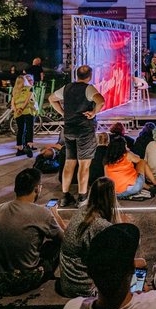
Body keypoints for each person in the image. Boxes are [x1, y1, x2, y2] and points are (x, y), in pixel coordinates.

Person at [0, 168, 66, 294]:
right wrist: (55, 215)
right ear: (37, 189)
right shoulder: (42, 213)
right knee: (55, 245)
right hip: (20, 281)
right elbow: (66, 238)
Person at [58, 177, 129, 298]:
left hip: (66, 283)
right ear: (111, 197)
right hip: (84, 287)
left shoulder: (82, 211)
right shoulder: (100, 225)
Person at [50, 65, 105, 206]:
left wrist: (63, 113)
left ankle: (65, 196)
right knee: (84, 165)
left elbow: (51, 99)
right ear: (90, 76)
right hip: (84, 130)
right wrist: (93, 112)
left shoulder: (67, 88)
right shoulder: (88, 88)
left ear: (76, 75)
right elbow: (101, 101)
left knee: (69, 163)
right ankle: (82, 197)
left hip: (69, 130)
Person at [104, 135, 156, 200]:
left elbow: (106, 178)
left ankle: (146, 186)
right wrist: (128, 151)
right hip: (132, 188)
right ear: (123, 146)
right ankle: (155, 183)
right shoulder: (127, 155)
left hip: (114, 192)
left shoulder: (106, 161)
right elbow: (138, 159)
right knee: (142, 162)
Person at [12, 72, 39, 157]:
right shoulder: (29, 88)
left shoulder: (15, 90)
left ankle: (19, 149)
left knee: (20, 130)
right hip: (27, 111)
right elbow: (28, 100)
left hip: (18, 113)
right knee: (29, 128)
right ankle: (29, 146)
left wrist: (16, 110)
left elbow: (12, 102)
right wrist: (22, 108)